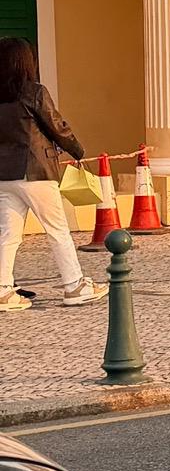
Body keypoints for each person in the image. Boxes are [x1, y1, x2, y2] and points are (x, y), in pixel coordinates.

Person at [0, 38, 103, 309]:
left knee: (8, 234)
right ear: (25, 62)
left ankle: (3, 290)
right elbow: (56, 125)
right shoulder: (33, 91)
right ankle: (74, 285)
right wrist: (77, 150)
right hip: (35, 171)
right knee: (57, 229)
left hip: (5, 174)